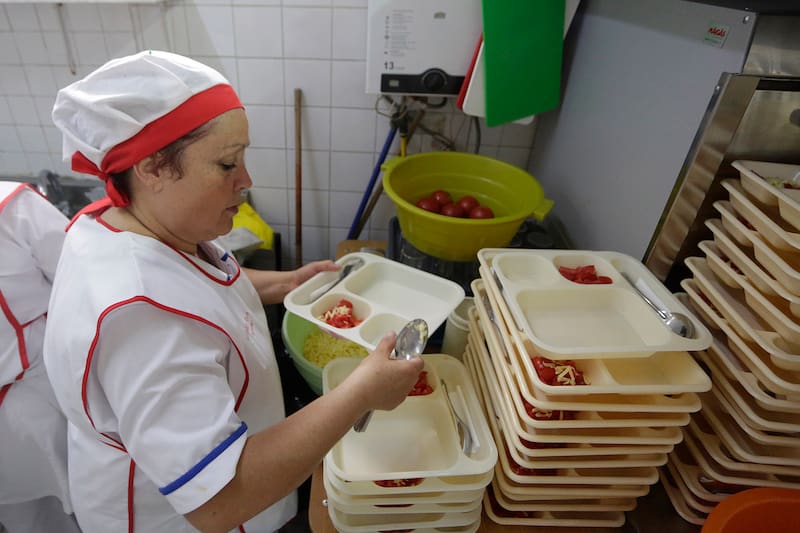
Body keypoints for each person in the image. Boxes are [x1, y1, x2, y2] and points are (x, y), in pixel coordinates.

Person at [44, 50, 425, 533]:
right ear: (152, 168)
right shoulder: (140, 321)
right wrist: (361, 394)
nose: (245, 181)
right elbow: (217, 502)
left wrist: (286, 284)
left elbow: (194, 285)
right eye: (227, 164)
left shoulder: (131, 222)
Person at [0, 182, 81, 533]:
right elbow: (81, 280)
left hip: (43, 394)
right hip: (34, 404)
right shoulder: (14, 208)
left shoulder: (14, 209)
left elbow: (79, 279)